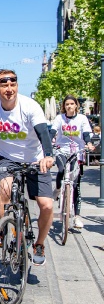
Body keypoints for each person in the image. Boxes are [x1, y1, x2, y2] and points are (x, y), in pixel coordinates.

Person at [0, 69, 54, 266]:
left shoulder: (30, 106)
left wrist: (48, 156)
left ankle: (39, 244)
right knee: (4, 192)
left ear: (16, 85)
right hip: (7, 159)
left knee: (47, 205)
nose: (9, 89)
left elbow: (43, 133)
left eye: (12, 84)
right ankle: (2, 231)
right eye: (4, 84)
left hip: (35, 159)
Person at [50, 95, 95, 229]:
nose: (69, 106)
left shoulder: (82, 119)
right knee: (61, 170)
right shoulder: (59, 118)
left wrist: (89, 143)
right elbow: (52, 131)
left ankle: (76, 217)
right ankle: (58, 189)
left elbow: (86, 133)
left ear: (76, 105)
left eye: (71, 104)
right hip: (61, 150)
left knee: (76, 185)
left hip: (77, 152)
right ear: (64, 106)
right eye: (67, 104)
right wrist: (47, 142)